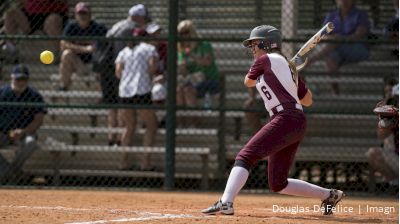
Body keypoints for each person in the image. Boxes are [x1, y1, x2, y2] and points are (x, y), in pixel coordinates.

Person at [202, 25, 344, 216]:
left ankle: (226, 202)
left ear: (266, 44)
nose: (252, 49)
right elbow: (307, 100)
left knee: (245, 156)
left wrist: (288, 73)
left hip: (284, 119)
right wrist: (292, 76)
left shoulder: (266, 59)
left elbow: (248, 81)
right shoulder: (284, 66)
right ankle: (329, 195)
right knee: (278, 183)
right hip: (296, 121)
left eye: (254, 44)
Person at [94, 4, 151, 146]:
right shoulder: (131, 30)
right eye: (144, 19)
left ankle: (111, 136)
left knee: (112, 106)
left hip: (105, 71)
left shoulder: (116, 26)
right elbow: (123, 55)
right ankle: (120, 137)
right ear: (138, 17)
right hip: (117, 71)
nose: (145, 22)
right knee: (121, 104)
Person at [115, 28, 158, 171]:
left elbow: (118, 72)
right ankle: (145, 163)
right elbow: (152, 68)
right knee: (151, 125)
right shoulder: (150, 49)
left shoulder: (124, 51)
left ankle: (123, 162)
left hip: (125, 91)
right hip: (142, 89)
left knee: (129, 127)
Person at [307, 0, 370, 94]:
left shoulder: (360, 14)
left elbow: (358, 36)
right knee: (331, 56)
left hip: (357, 48)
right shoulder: (331, 16)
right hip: (334, 48)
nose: (344, 1)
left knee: (333, 43)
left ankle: (308, 62)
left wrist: (339, 39)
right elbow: (323, 36)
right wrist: (335, 39)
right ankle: (336, 91)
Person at [0, 64, 47, 182]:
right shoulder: (2, 92)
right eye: (18, 79)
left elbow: (38, 120)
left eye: (23, 79)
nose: (20, 82)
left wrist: (23, 131)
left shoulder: (34, 96)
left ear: (28, 80)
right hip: (3, 133)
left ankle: (11, 172)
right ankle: (12, 172)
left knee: (31, 143)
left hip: (25, 132)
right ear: (11, 78)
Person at [57, 2, 107, 91]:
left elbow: (107, 44)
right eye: (80, 13)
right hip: (77, 63)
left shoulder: (98, 28)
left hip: (94, 64)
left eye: (85, 13)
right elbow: (63, 45)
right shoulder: (71, 27)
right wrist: (85, 49)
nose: (82, 16)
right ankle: (64, 86)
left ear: (90, 14)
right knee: (66, 54)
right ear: (75, 15)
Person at [177, 20, 219, 108]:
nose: (184, 36)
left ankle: (193, 120)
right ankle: (182, 120)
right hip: (192, 80)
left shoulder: (204, 44)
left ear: (192, 32)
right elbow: (183, 72)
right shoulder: (182, 49)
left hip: (208, 79)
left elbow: (207, 62)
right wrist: (182, 67)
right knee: (179, 90)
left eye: (186, 32)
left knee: (188, 90)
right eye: (181, 33)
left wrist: (192, 56)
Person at [3, 0, 68, 57]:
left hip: (52, 12)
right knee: (10, 13)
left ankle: (56, 54)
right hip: (31, 14)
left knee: (52, 20)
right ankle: (11, 50)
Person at [366, 78, 398, 185]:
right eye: (387, 93)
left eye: (391, 93)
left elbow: (382, 134)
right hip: (394, 155)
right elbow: (381, 135)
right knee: (373, 154)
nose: (389, 96)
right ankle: (395, 184)